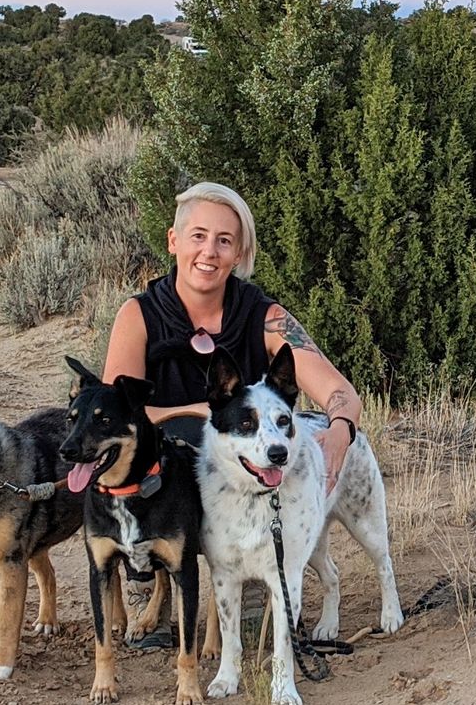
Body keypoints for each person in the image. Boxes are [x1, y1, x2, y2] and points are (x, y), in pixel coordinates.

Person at [101, 181, 363, 492]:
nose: (209, 251)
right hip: (164, 491)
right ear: (173, 240)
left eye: (224, 241)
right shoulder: (138, 315)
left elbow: (340, 392)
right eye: (198, 236)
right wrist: (194, 413)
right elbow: (113, 414)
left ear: (238, 254)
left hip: (244, 488)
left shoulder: (266, 318)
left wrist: (338, 434)